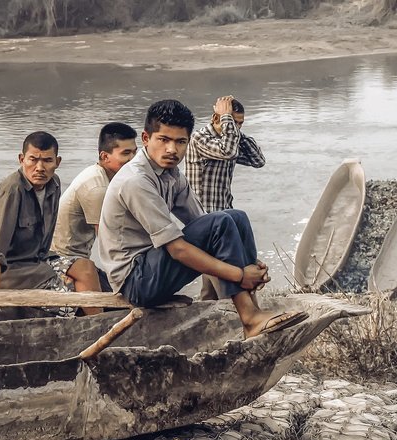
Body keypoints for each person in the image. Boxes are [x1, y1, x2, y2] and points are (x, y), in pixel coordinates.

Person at [98, 99, 306, 338]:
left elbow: (203, 221)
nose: (172, 150)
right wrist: (239, 274)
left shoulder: (171, 174)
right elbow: (177, 250)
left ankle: (253, 308)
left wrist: (248, 262)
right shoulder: (136, 180)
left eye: (180, 142)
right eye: (163, 140)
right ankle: (249, 319)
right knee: (221, 222)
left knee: (234, 217)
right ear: (146, 139)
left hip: (153, 268)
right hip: (136, 281)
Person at [0, 131, 102, 315]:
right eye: (33, 160)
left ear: (57, 162)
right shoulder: (13, 191)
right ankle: (95, 325)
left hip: (38, 261)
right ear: (22, 159)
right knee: (72, 296)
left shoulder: (54, 185)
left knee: (87, 268)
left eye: (47, 161)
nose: (40, 167)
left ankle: (99, 324)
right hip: (11, 272)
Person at [185, 95, 266, 300]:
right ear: (216, 118)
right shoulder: (201, 138)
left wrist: (234, 128)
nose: (236, 127)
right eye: (232, 122)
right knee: (228, 284)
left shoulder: (230, 137)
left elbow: (258, 160)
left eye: (240, 123)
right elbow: (228, 152)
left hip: (225, 217)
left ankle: (207, 324)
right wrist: (227, 118)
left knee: (210, 288)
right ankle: (248, 317)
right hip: (205, 220)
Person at [52, 122, 138, 290]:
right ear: (105, 157)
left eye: (135, 152)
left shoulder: (112, 178)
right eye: (126, 153)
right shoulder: (97, 187)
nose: (133, 159)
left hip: (80, 257)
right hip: (62, 260)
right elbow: (109, 241)